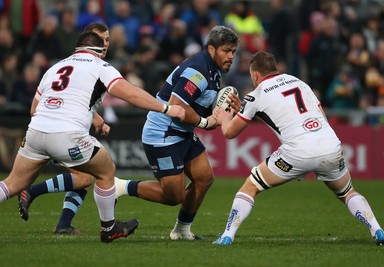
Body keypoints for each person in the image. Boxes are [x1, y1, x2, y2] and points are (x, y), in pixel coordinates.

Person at [1, 31, 185, 243]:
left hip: (35, 131)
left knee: (12, 183)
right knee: (106, 170)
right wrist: (165, 108)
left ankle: (64, 221)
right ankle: (109, 228)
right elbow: (130, 93)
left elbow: (34, 108)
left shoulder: (54, 68)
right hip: (67, 134)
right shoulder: (100, 66)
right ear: (101, 50)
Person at [212, 51, 384, 246]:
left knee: (251, 185)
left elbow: (229, 132)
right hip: (329, 144)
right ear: (276, 69)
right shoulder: (299, 82)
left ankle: (228, 235)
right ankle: (377, 230)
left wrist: (224, 118)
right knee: (347, 192)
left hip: (296, 152)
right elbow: (318, 115)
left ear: (255, 75)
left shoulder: (257, 94)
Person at [114, 25, 241, 240]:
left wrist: (229, 110)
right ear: (211, 49)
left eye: (233, 52)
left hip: (181, 131)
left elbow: (201, 104)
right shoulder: (199, 72)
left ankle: (181, 231)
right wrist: (204, 122)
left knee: (204, 178)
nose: (230, 56)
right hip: (163, 133)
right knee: (174, 196)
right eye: (226, 51)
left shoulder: (213, 70)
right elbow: (176, 107)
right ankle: (121, 186)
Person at [18, 22, 114, 235]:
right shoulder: (90, 66)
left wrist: (95, 118)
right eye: (100, 39)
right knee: (86, 177)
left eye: (107, 39)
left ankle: (63, 225)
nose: (104, 44)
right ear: (88, 41)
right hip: (59, 133)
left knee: (83, 179)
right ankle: (32, 191)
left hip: (51, 131)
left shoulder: (69, 65)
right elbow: (39, 106)